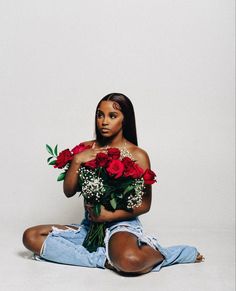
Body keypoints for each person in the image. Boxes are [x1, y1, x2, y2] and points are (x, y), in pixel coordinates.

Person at [22, 93, 204, 275]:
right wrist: (77, 160)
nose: (104, 121)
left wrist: (108, 216)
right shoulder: (86, 148)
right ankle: (104, 260)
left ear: (125, 119)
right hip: (90, 225)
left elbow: (145, 204)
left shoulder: (138, 155)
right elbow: (68, 191)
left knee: (129, 261)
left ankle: (173, 254)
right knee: (31, 237)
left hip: (122, 225)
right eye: (100, 115)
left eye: (112, 116)